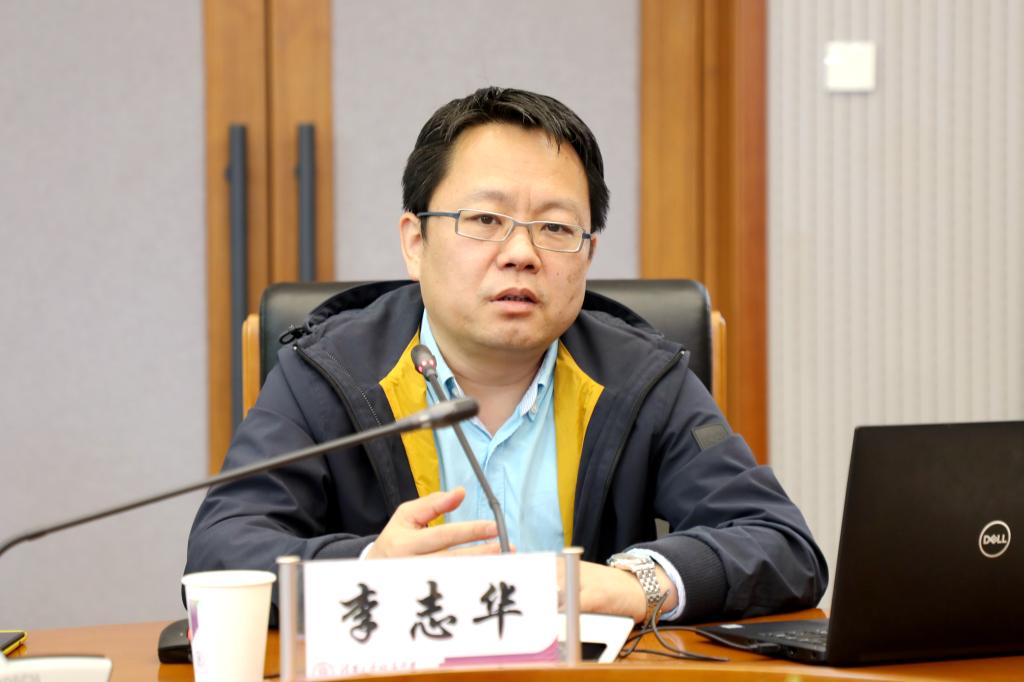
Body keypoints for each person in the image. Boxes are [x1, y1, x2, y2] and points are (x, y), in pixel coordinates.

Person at [185, 86, 827, 625]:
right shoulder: (328, 373)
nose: (521, 253)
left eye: (555, 227)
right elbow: (221, 553)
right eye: (486, 220)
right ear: (415, 242)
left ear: (588, 255)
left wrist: (630, 586)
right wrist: (368, 571)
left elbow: (782, 545)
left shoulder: (641, 377)